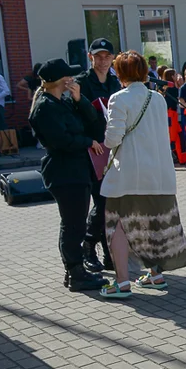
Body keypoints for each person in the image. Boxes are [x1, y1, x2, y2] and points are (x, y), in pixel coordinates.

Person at [101, 51, 186, 299]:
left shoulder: (118, 99)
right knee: (153, 223)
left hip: (129, 174)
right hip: (159, 173)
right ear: (144, 71)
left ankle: (122, 282)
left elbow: (112, 139)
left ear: (119, 73)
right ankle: (155, 275)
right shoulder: (158, 98)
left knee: (118, 226)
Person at [28, 59, 107, 292]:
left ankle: (76, 270)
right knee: (73, 225)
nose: (72, 79)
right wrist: (88, 142)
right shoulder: (45, 106)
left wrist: (78, 98)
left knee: (76, 224)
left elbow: (93, 119)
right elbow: (61, 141)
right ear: (60, 80)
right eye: (68, 77)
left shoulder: (61, 101)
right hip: (64, 172)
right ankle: (75, 272)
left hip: (77, 170)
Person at [75, 38, 122, 272]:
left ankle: (109, 252)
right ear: (90, 57)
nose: (103, 61)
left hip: (114, 149)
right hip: (91, 150)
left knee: (111, 201)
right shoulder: (80, 83)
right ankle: (88, 246)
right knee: (102, 200)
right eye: (98, 56)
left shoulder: (116, 82)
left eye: (107, 56)